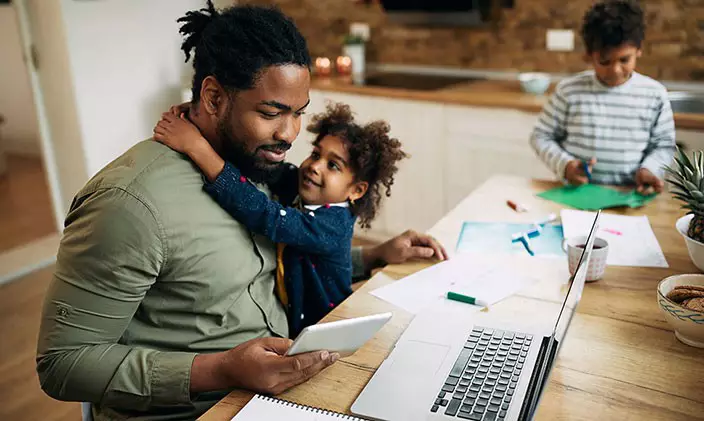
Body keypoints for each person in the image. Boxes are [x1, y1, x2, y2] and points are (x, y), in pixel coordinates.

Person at [35, 3, 446, 420]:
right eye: (271, 113)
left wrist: (372, 256)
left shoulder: (258, 163)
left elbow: (289, 250)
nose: (288, 135)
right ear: (213, 97)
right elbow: (62, 364)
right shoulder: (130, 204)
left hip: (286, 391)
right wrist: (220, 369)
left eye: (297, 114)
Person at [154, 101, 408, 336]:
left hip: (323, 329)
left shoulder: (333, 224)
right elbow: (267, 167)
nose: (315, 166)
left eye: (333, 166)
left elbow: (266, 214)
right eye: (316, 154)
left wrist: (196, 147)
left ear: (357, 190)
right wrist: (207, 118)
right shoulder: (303, 188)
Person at [530, 0, 675, 194]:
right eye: (604, 61)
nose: (615, 70)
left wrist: (649, 170)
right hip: (577, 195)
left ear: (639, 50)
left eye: (624, 60)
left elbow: (664, 145)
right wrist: (566, 166)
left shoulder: (655, 95)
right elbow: (541, 136)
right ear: (589, 55)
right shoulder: (569, 91)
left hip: (630, 197)